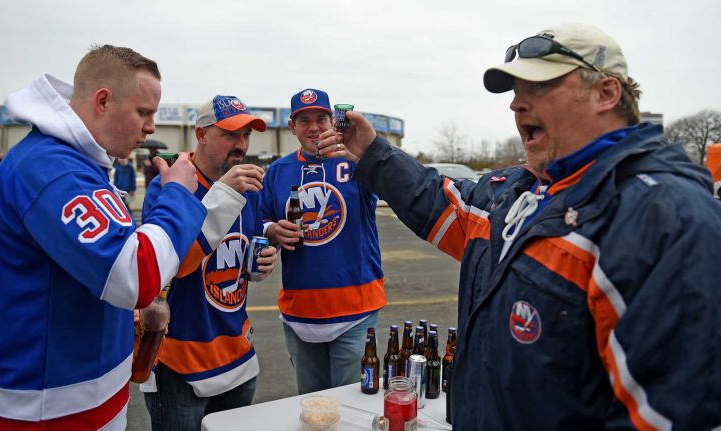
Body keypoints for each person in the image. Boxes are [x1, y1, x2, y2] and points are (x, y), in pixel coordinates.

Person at [317, 24, 721, 430]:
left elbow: (666, 415)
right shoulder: (521, 191)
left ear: (606, 93)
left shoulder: (665, 217)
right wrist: (374, 153)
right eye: (515, 90)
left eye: (539, 87)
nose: (516, 104)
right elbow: (439, 203)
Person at [0, 45, 245, 430]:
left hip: (63, 395)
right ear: (102, 101)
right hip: (44, 406)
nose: (150, 127)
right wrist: (179, 193)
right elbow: (137, 274)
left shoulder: (70, 161)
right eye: (143, 112)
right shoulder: (54, 168)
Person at [141, 95, 277, 429]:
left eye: (246, 135)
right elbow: (171, 265)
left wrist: (258, 264)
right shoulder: (171, 186)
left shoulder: (249, 185)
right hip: (181, 367)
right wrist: (223, 194)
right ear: (201, 135)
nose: (241, 145)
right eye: (231, 134)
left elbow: (238, 252)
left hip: (238, 357)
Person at [260, 88, 385, 394]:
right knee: (313, 407)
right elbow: (260, 222)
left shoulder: (355, 161)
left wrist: (365, 153)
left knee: (352, 408)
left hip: (355, 313)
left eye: (320, 118)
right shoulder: (278, 171)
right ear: (292, 127)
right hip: (299, 315)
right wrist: (272, 231)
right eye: (304, 120)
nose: (313, 127)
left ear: (333, 120)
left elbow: (395, 183)